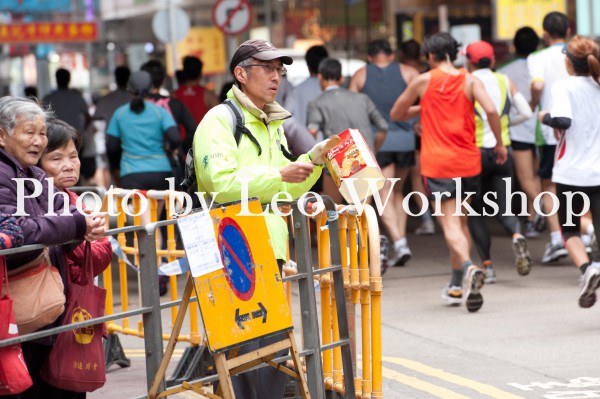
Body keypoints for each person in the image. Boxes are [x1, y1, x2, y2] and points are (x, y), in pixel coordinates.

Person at [193, 39, 336, 399]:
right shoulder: (220, 120)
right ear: (241, 74)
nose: (277, 77)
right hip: (234, 249)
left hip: (267, 248)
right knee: (245, 354)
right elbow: (220, 184)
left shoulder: (270, 121)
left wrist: (314, 162)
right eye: (268, 68)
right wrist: (279, 176)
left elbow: (284, 191)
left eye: (280, 70)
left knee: (269, 350)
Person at [390, 32, 508, 313]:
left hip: (439, 164)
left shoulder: (424, 80)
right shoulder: (470, 80)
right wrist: (500, 144)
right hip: (468, 162)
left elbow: (397, 113)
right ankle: (456, 285)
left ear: (430, 56)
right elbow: (491, 109)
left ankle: (467, 268)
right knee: (463, 223)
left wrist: (424, 106)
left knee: (451, 226)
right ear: (453, 55)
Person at [0, 96, 105, 399]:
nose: (38, 141)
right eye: (29, 132)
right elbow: (19, 230)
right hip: (17, 305)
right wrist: (77, 226)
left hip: (46, 306)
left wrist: (85, 223)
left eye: (42, 133)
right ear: (2, 135)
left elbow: (62, 211)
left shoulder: (34, 174)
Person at [537, 35, 600, 308]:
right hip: (599, 173)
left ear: (567, 62)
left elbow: (563, 120)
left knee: (570, 230)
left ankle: (587, 269)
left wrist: (544, 117)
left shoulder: (565, 87)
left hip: (571, 173)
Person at [464, 40, 533, 282]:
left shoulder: (467, 82)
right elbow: (526, 112)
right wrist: (505, 126)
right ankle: (516, 235)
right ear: (492, 61)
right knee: (505, 209)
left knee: (475, 212)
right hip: (503, 152)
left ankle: (488, 266)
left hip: (474, 153)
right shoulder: (505, 81)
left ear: (469, 62)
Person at [349, 38, 419, 267]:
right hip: (406, 142)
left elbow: (353, 107)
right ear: (391, 55)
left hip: (381, 143)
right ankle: (402, 242)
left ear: (370, 57)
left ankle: (400, 243)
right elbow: (426, 97)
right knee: (397, 193)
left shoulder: (360, 75)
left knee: (383, 195)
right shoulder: (409, 72)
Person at [307, 57, 388, 204]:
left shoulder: (317, 103)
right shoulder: (362, 98)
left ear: (320, 77)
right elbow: (383, 126)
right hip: (363, 161)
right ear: (341, 78)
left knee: (333, 212)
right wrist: (372, 150)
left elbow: (311, 131)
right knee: (362, 215)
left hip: (337, 162)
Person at [528, 12, 570, 263]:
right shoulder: (578, 51)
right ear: (567, 31)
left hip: (549, 127)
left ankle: (557, 239)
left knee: (549, 184)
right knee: (581, 184)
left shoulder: (537, 57)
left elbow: (538, 85)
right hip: (580, 127)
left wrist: (534, 103)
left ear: (545, 34)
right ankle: (586, 234)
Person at [499, 27, 543, 239]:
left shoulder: (504, 72)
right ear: (537, 45)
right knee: (537, 177)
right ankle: (532, 220)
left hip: (518, 130)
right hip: (545, 129)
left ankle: (542, 210)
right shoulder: (542, 67)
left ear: (514, 46)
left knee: (526, 178)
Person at [106, 70, 179, 190]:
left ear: (129, 89)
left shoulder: (119, 114)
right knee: (160, 208)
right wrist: (169, 149)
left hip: (131, 173)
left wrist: (115, 169)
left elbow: (111, 146)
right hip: (161, 172)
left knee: (141, 209)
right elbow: (175, 138)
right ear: (151, 89)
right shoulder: (160, 112)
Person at [398, 39, 436, 236]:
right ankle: (446, 215)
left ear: (402, 54)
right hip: (434, 130)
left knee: (417, 177)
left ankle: (428, 219)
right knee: (437, 175)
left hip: (414, 130)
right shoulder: (428, 74)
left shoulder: (403, 74)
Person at [42, 68, 94, 182]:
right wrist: (84, 131)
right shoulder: (77, 97)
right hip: (75, 138)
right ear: (69, 79)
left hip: (54, 139)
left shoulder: (49, 98)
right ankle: (74, 190)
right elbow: (88, 118)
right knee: (72, 168)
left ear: (56, 79)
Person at [174, 56, 219, 125]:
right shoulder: (209, 95)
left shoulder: (174, 95)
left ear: (184, 72)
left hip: (180, 136)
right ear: (200, 74)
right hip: (203, 135)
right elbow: (219, 118)